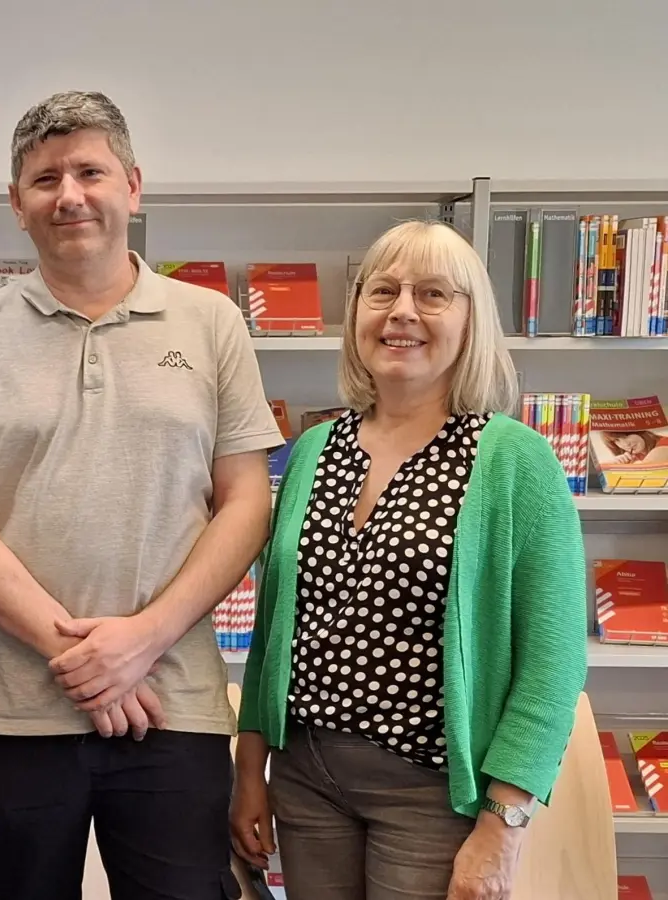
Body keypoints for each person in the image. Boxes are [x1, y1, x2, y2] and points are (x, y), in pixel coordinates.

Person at [0, 90, 284, 898]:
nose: (70, 194)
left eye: (91, 171)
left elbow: (248, 501)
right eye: (46, 178)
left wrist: (142, 642)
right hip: (10, 713)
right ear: (17, 204)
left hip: (173, 705)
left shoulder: (212, 322)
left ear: (134, 186)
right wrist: (82, 657)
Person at [231, 220, 588, 900]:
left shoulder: (514, 461)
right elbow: (277, 630)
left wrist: (503, 823)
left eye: (432, 294)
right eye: (383, 291)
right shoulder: (312, 450)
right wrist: (252, 770)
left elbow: (553, 662)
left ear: (471, 318)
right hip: (306, 781)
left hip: (432, 792)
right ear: (357, 311)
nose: (402, 312)